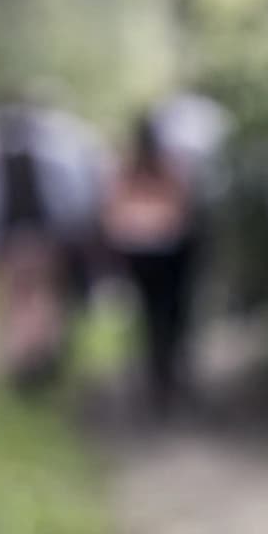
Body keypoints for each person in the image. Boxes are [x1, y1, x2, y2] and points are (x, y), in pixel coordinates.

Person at [0, 100, 109, 390]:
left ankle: (23, 359)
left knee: (16, 299)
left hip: (8, 239)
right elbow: (69, 198)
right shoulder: (52, 155)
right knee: (44, 296)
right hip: (46, 238)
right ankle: (42, 356)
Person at [103, 114, 199, 412]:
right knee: (168, 313)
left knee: (148, 313)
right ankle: (166, 372)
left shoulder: (128, 165)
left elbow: (112, 209)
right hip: (168, 252)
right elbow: (184, 206)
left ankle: (155, 372)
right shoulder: (170, 165)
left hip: (139, 251)